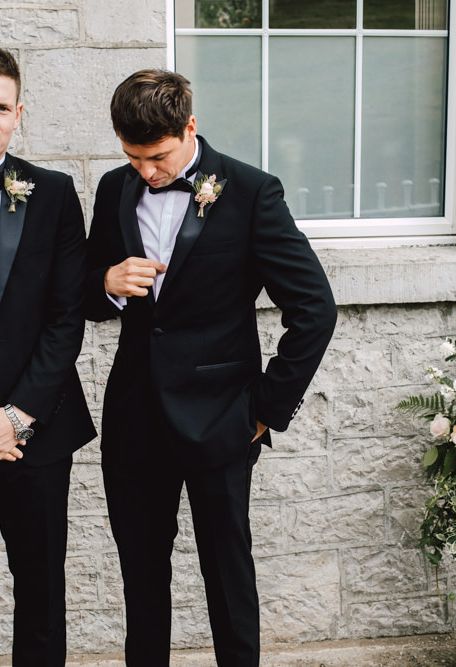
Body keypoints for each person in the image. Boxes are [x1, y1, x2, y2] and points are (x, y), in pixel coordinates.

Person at [84, 69, 337, 666]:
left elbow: (314, 308)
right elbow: (86, 298)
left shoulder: (251, 192)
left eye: (157, 157)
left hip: (223, 419)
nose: (146, 171)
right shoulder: (112, 190)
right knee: (141, 580)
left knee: (227, 575)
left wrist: (266, 410)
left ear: (190, 127)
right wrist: (107, 283)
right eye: (132, 156)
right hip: (134, 421)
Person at [0, 48, 96, 665]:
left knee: (39, 588)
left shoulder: (54, 194)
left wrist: (15, 416)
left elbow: (67, 319)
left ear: (17, 114)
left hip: (32, 431)